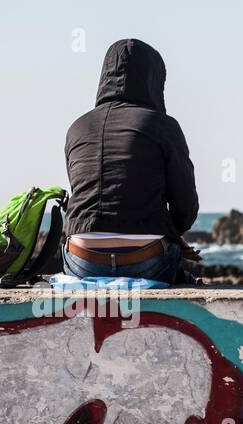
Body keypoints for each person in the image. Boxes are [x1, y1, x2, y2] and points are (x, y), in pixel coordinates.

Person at [63, 39, 199, 284]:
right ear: (153, 80)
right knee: (181, 272)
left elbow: (81, 193)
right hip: (145, 260)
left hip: (81, 260)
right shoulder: (163, 125)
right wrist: (172, 233)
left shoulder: (77, 127)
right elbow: (186, 207)